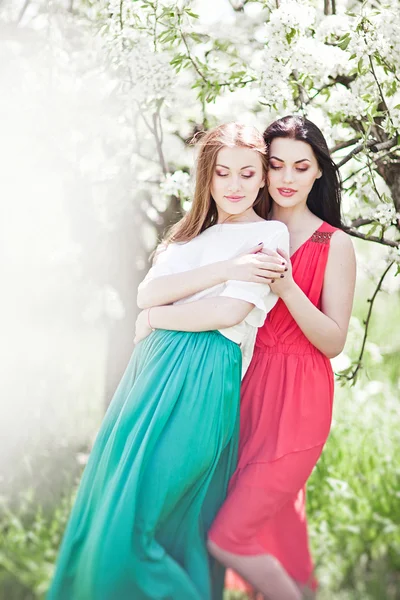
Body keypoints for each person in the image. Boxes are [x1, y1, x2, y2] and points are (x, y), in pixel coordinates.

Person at [46, 122, 289, 600]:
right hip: (147, 375)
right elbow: (146, 291)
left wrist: (158, 317)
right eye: (223, 173)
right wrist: (224, 269)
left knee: (147, 521)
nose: (235, 185)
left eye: (247, 173)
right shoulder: (185, 239)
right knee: (112, 510)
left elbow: (228, 311)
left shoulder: (270, 232)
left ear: (263, 178)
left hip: (204, 374)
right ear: (208, 177)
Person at [207, 115, 357, 600]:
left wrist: (288, 288)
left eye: (301, 166)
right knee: (275, 529)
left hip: (299, 402)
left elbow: (333, 341)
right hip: (243, 389)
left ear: (318, 173)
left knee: (227, 536)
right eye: (276, 166)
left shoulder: (334, 244)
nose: (287, 178)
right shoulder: (241, 227)